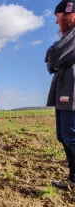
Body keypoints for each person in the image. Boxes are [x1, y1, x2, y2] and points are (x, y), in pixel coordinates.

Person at [46, 0, 75, 189]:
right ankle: (73, 178)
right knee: (64, 136)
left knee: (71, 135)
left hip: (71, 90)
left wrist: (52, 56)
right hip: (65, 89)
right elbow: (52, 63)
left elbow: (54, 55)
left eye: (58, 17)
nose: (57, 22)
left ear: (67, 13)